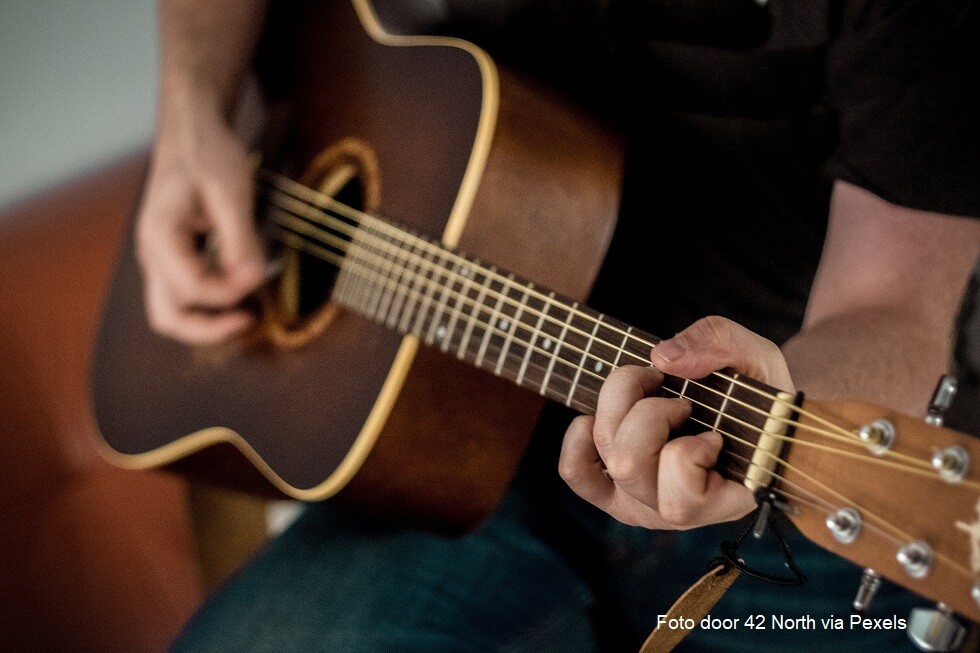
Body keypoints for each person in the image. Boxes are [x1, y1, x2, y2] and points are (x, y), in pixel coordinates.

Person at [137, 0, 980, 650]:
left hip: (790, 484)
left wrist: (778, 406)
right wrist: (191, 110)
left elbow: (901, 303)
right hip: (464, 445)